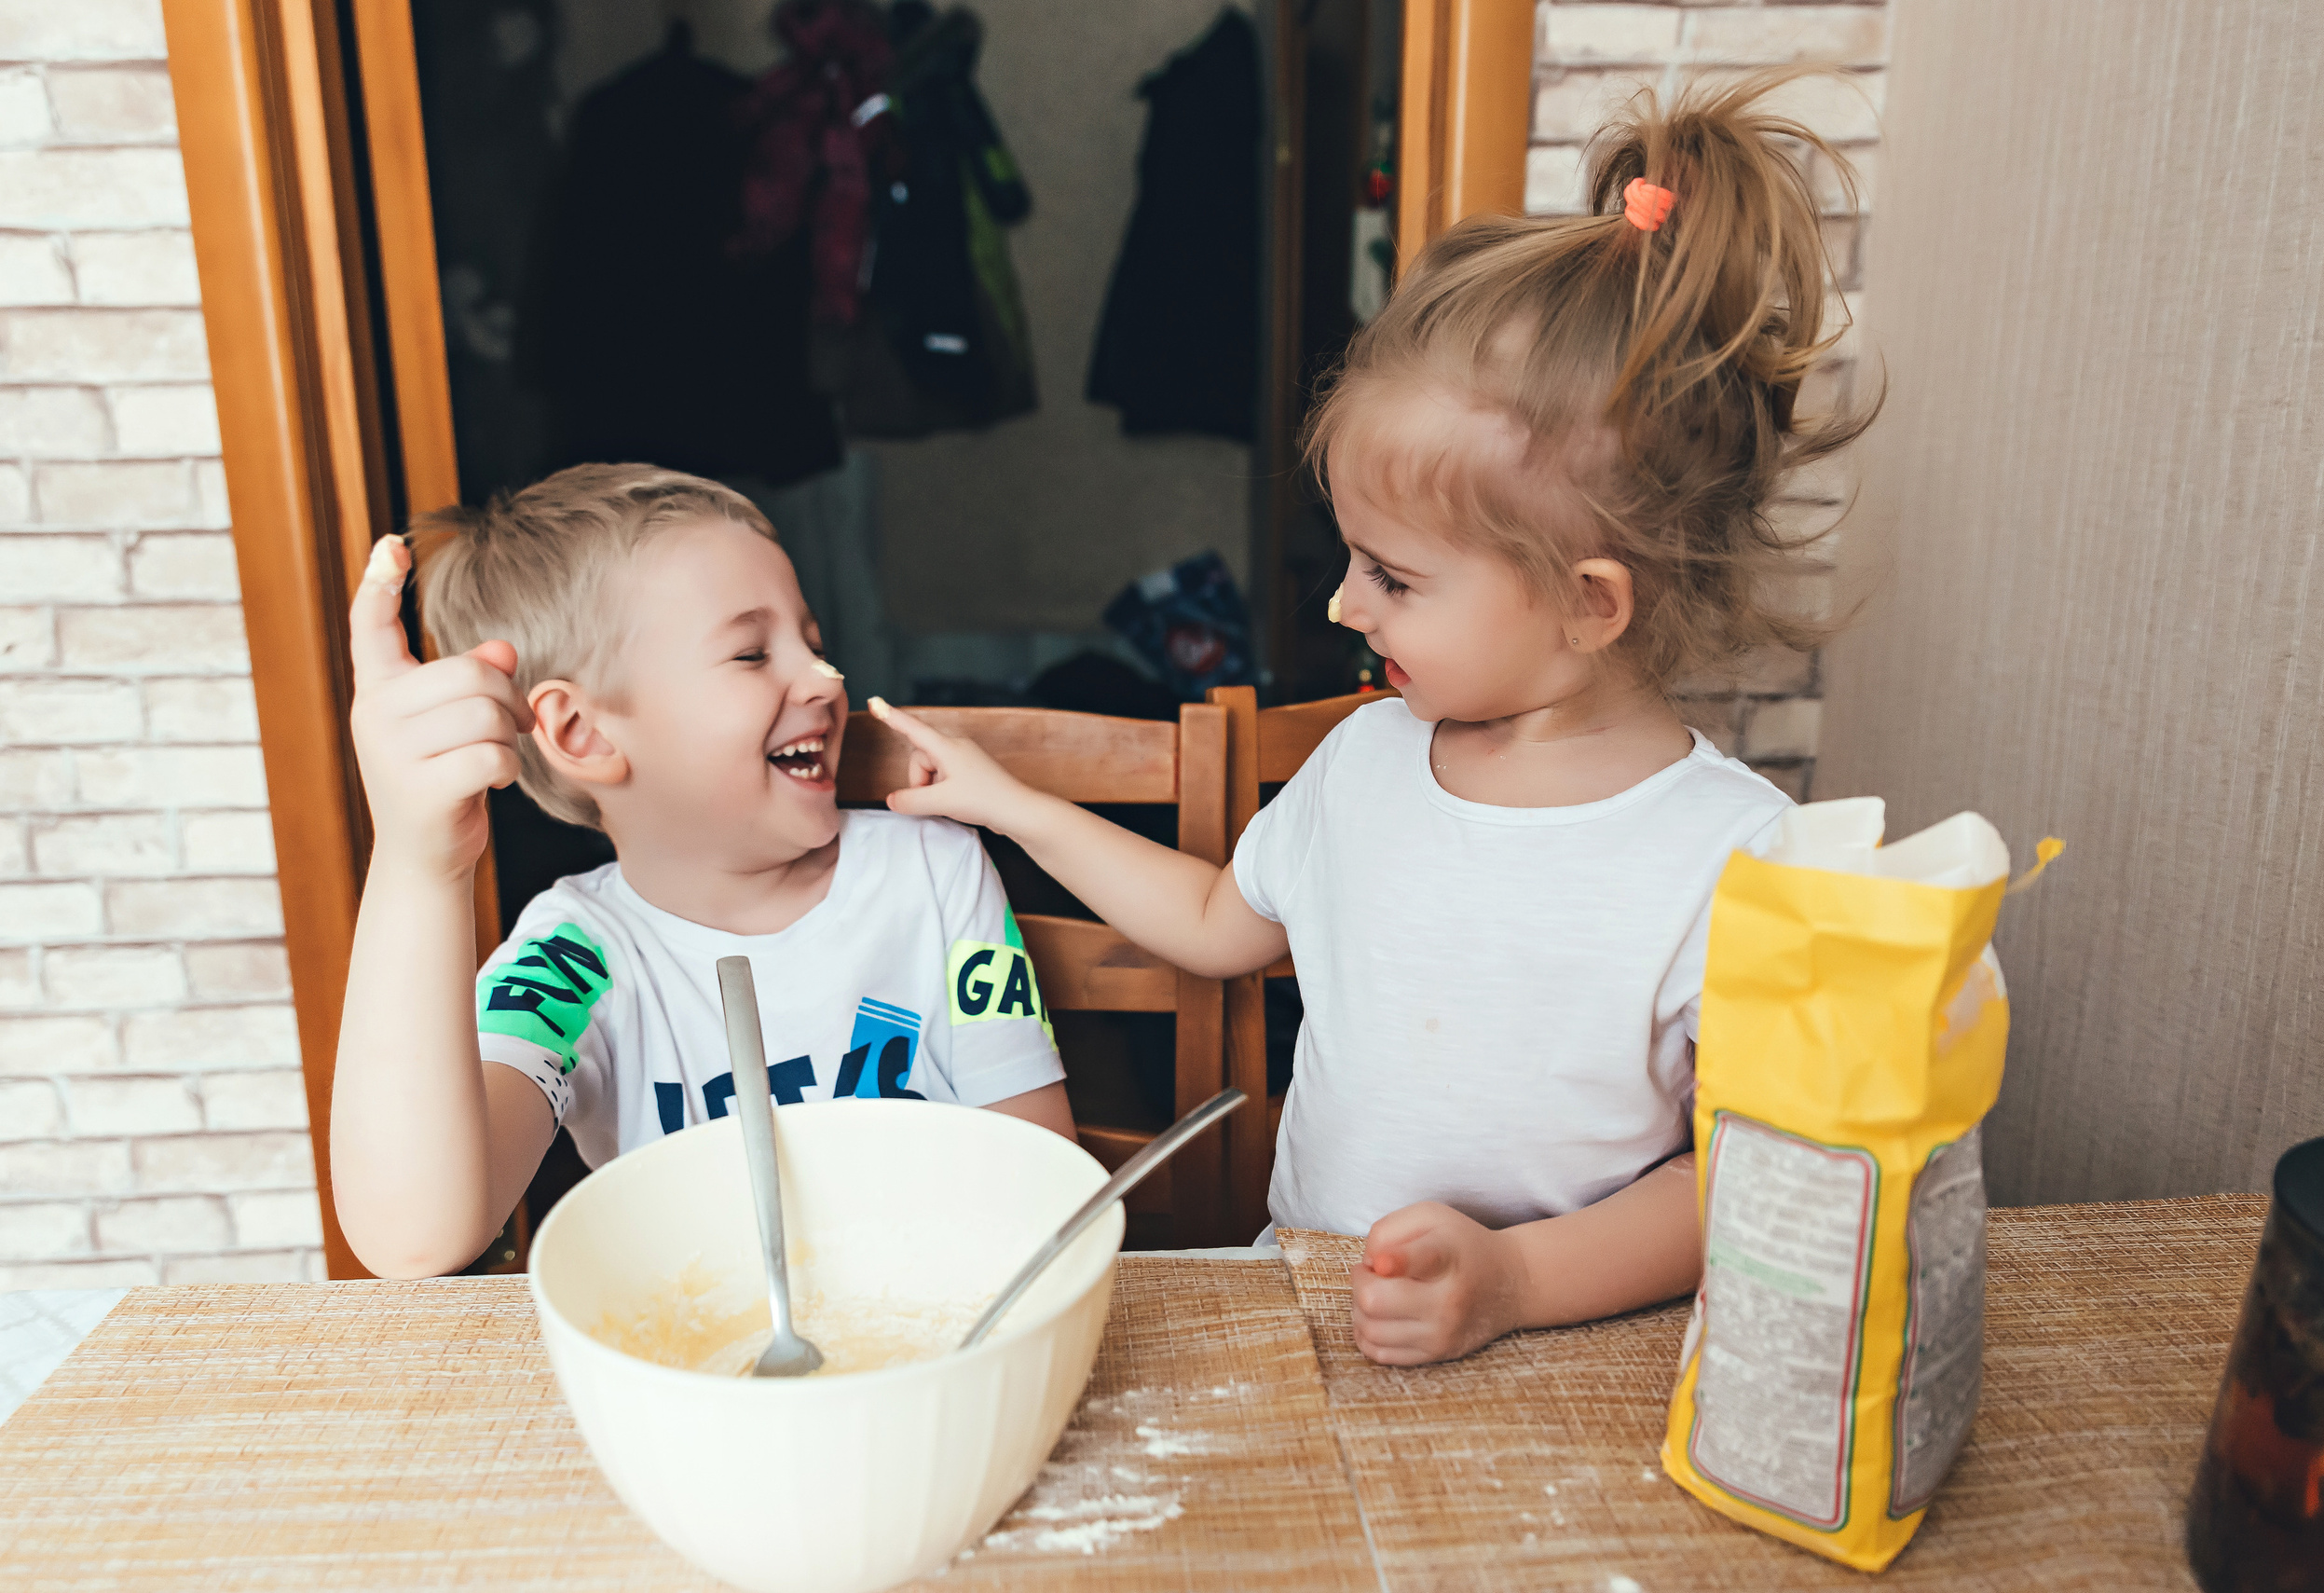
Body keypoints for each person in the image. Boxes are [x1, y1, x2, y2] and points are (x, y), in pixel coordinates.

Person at [865, 76, 1871, 1365]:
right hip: (1313, 1314)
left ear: (1587, 602)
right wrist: (1010, 803)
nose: (1343, 602)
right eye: (1351, 558)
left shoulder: (1740, 862)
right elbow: (1222, 926)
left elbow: (1741, 1181)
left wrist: (1508, 1278)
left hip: (1565, 1355)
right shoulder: (1365, 758)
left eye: (1392, 577)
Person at [329, 465, 1072, 1281]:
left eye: (815, 644)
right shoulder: (574, 960)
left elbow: (1043, 1183)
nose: (826, 681)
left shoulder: (933, 871)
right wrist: (417, 864)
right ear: (580, 733)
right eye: (752, 653)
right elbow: (414, 1233)